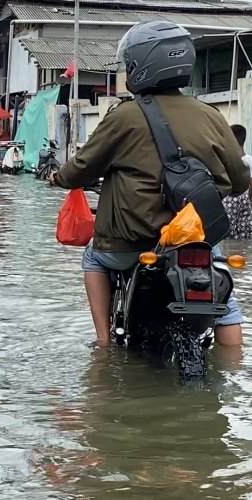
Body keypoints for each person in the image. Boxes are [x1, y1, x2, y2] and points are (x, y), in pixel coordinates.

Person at [49, 21, 249, 347]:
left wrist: (59, 177)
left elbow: (80, 170)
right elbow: (240, 182)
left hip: (131, 243)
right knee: (222, 290)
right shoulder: (211, 115)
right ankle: (232, 366)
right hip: (194, 239)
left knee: (93, 257)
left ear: (141, 65)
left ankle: (103, 345)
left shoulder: (123, 115)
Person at [223, 124, 252, 239]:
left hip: (238, 205)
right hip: (241, 207)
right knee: (243, 237)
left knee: (233, 237)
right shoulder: (249, 160)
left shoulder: (230, 161)